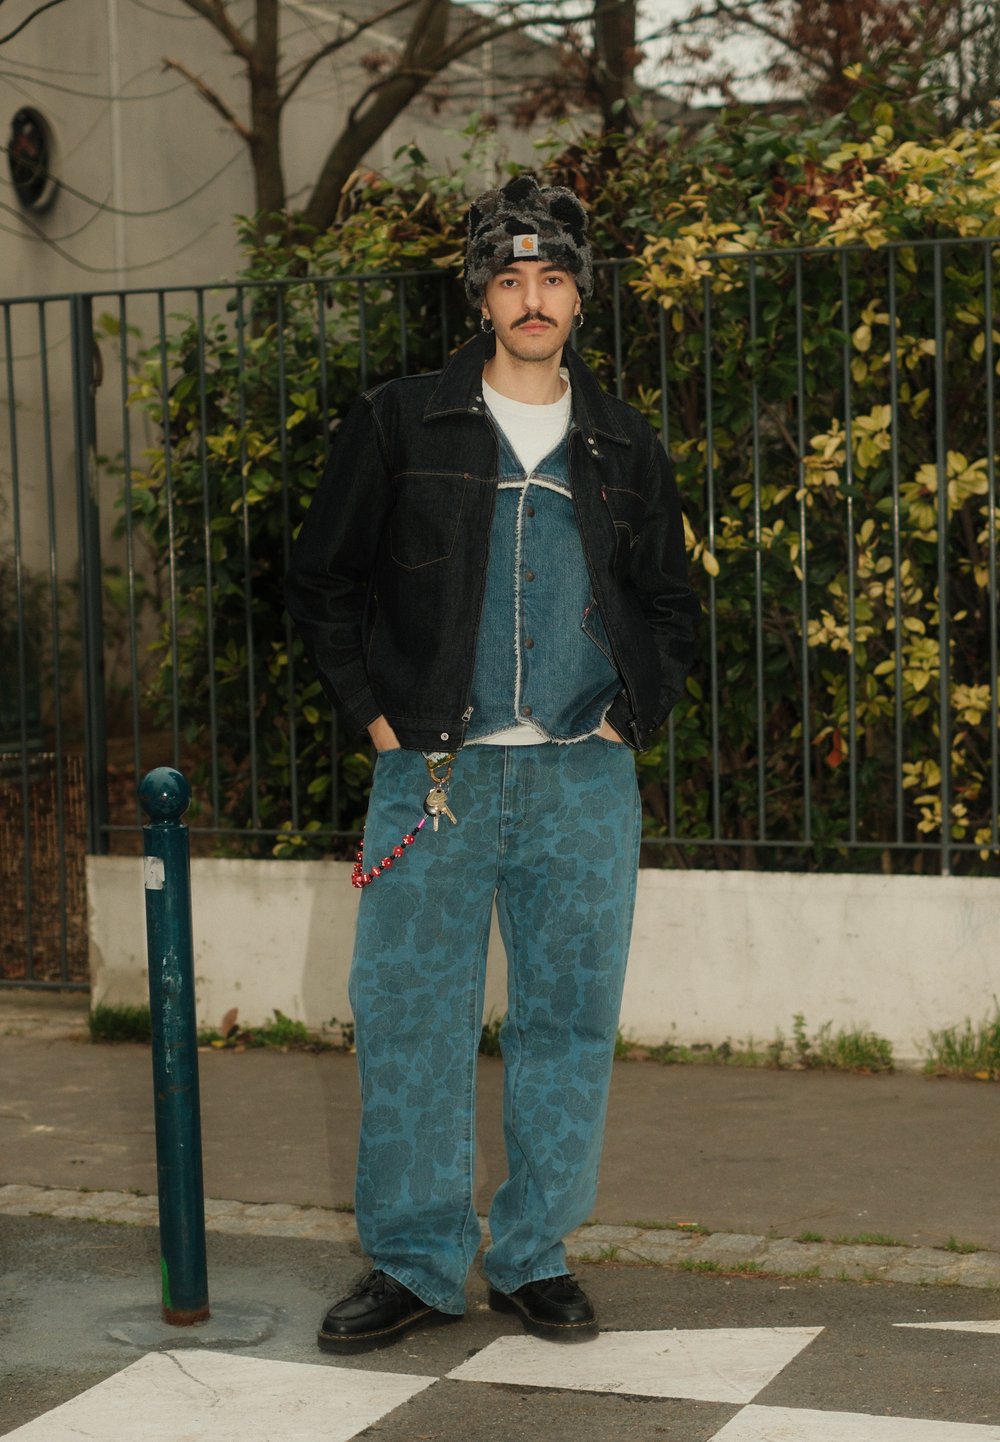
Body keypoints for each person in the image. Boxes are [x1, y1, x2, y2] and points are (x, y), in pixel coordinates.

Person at [285, 174, 699, 1354]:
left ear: (579, 298)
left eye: (553, 276)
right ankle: (415, 1264)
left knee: (567, 1020)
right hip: (431, 778)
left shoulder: (622, 437)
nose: (533, 296)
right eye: (510, 277)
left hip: (580, 778)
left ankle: (532, 1254)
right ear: (480, 294)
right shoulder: (401, 421)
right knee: (411, 1018)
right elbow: (321, 582)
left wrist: (631, 714)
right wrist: (378, 725)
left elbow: (671, 600)